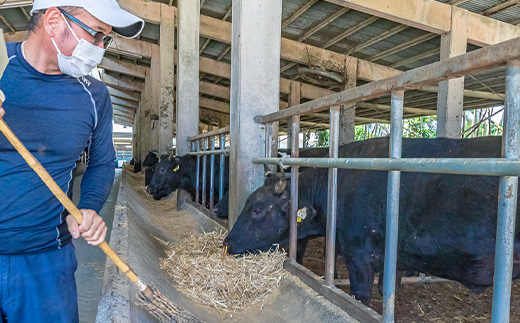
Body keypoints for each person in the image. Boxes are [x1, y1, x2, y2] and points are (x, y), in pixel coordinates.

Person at [0, 1, 144, 322]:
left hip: (46, 261)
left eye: (106, 39)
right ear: (53, 20)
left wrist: (90, 206)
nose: (100, 49)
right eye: (95, 35)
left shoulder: (93, 95)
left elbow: (103, 162)